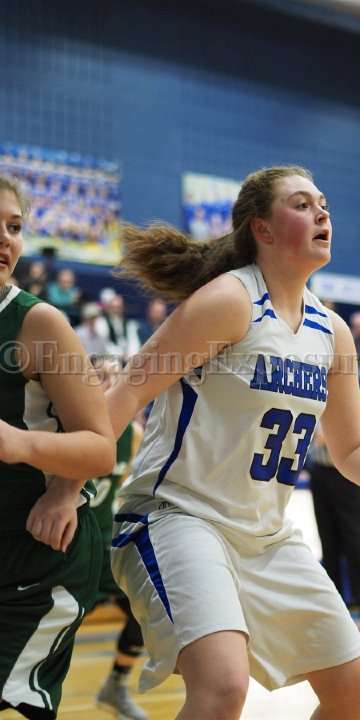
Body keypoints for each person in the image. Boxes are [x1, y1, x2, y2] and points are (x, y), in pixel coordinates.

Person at [106, 165, 360, 720]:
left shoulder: (332, 332)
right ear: (262, 228)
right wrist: (65, 488)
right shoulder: (230, 301)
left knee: (356, 691)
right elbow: (125, 392)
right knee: (223, 688)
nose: (322, 213)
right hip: (180, 516)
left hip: (265, 536)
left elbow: (352, 452)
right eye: (302, 204)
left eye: (324, 203)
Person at [0, 173, 116, 720]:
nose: (6, 239)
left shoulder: (38, 323)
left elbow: (100, 447)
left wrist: (22, 445)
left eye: (14, 227)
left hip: (36, 557)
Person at [85, 355, 148, 720]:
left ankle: (116, 684)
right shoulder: (67, 425)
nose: (111, 384)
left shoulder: (133, 433)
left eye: (116, 377)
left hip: (108, 546)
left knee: (143, 608)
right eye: (101, 377)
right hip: (68, 547)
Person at [308, 396, 360, 632]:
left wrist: (337, 439)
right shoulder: (314, 396)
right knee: (328, 545)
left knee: (353, 544)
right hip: (320, 473)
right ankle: (336, 613)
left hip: (349, 478)